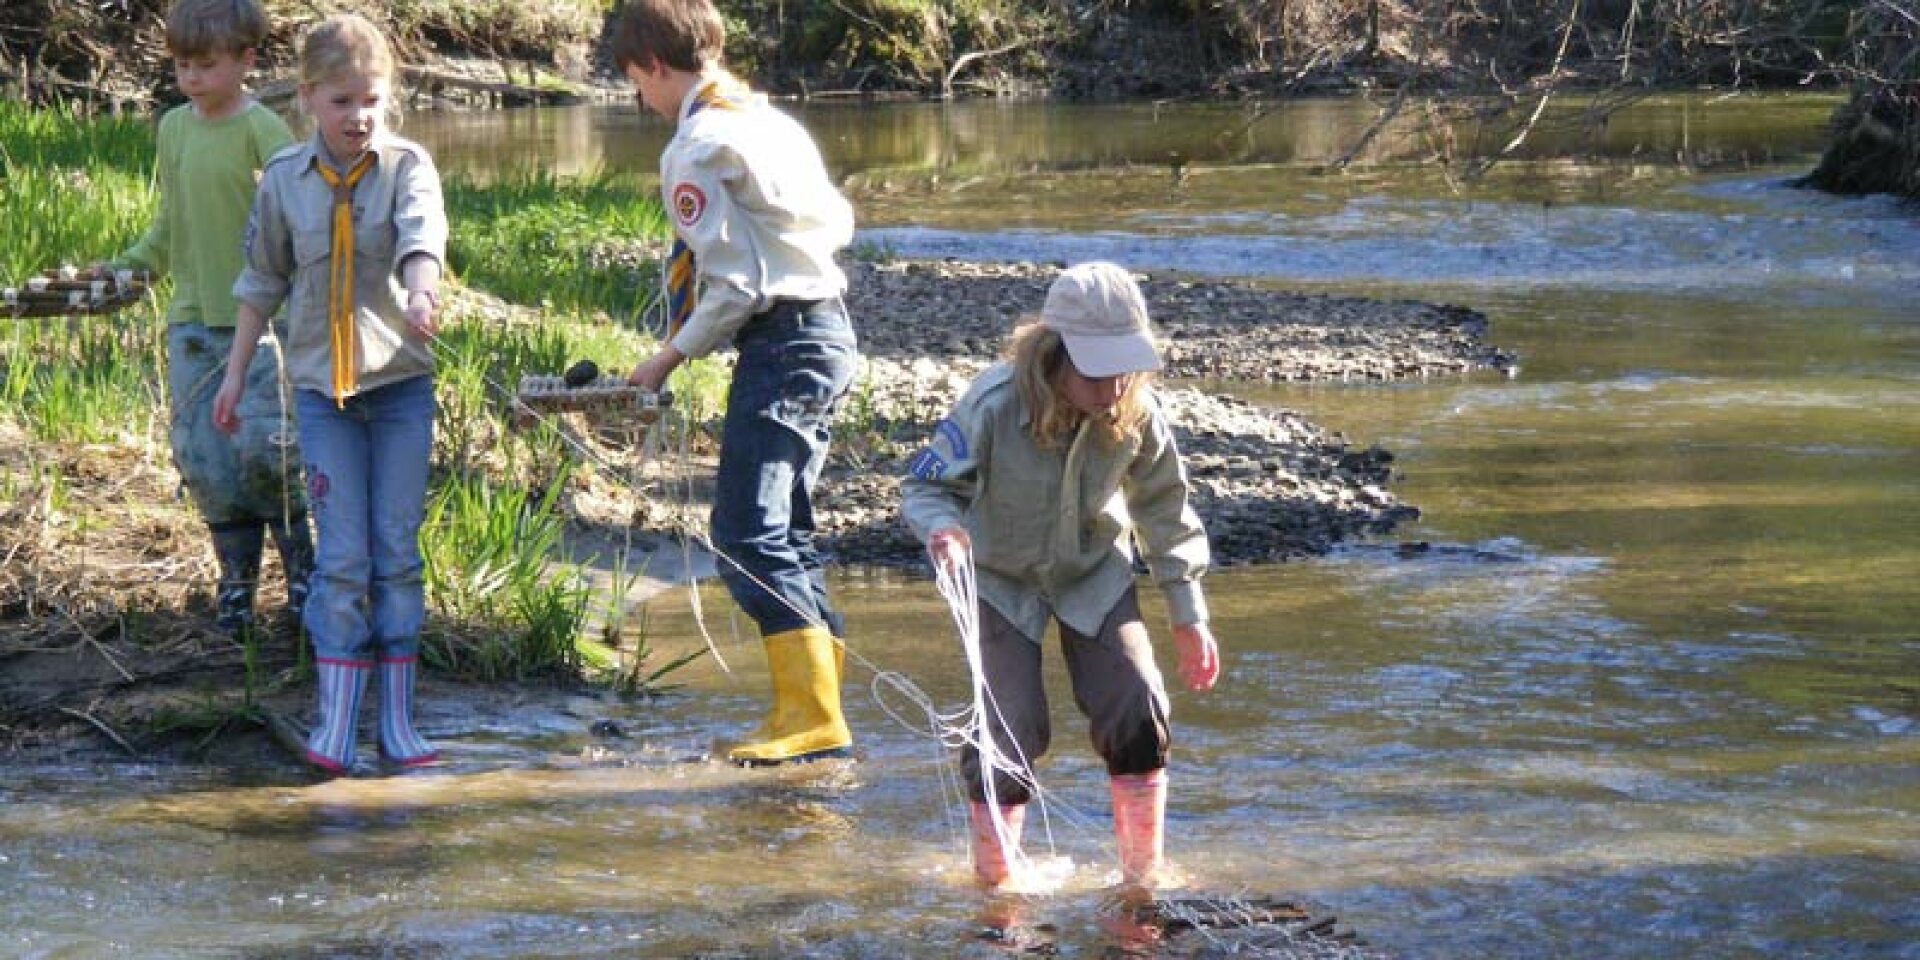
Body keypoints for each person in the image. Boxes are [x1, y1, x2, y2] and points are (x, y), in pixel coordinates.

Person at [900, 262, 1223, 891]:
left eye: (1124, 369)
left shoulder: (1138, 410)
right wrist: (942, 531)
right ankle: (997, 892)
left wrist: (1190, 616)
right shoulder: (992, 404)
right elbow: (924, 487)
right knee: (1007, 732)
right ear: (1054, 353)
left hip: (1093, 574)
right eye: (1096, 372)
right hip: (998, 578)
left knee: (1137, 707)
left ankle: (1141, 883)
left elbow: (1165, 512)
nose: (1112, 389)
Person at [613, 0, 861, 766]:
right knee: (785, 532)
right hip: (826, 331)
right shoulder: (768, 120)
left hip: (783, 342)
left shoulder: (699, 146)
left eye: (633, 82)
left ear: (652, 64)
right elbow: (837, 221)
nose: (639, 100)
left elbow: (735, 289)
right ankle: (809, 710)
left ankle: (814, 713)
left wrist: (668, 357)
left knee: (744, 536)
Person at [214, 13, 449, 775]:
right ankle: (337, 721)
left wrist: (421, 296)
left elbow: (422, 242)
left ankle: (400, 725)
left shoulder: (409, 166)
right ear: (309, 99)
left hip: (401, 392)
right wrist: (232, 375)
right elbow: (259, 282)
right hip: (323, 398)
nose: (360, 116)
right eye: (343, 101)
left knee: (397, 554)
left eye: (372, 99)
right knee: (342, 558)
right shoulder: (284, 181)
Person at [96, 0, 311, 636]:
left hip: (259, 318)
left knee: (265, 449)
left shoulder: (262, 130)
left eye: (206, 65)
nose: (191, 78)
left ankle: (304, 576)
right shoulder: (173, 129)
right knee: (203, 455)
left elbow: (298, 213)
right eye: (182, 66)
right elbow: (171, 221)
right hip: (190, 316)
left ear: (246, 60)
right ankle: (237, 585)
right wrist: (133, 267)